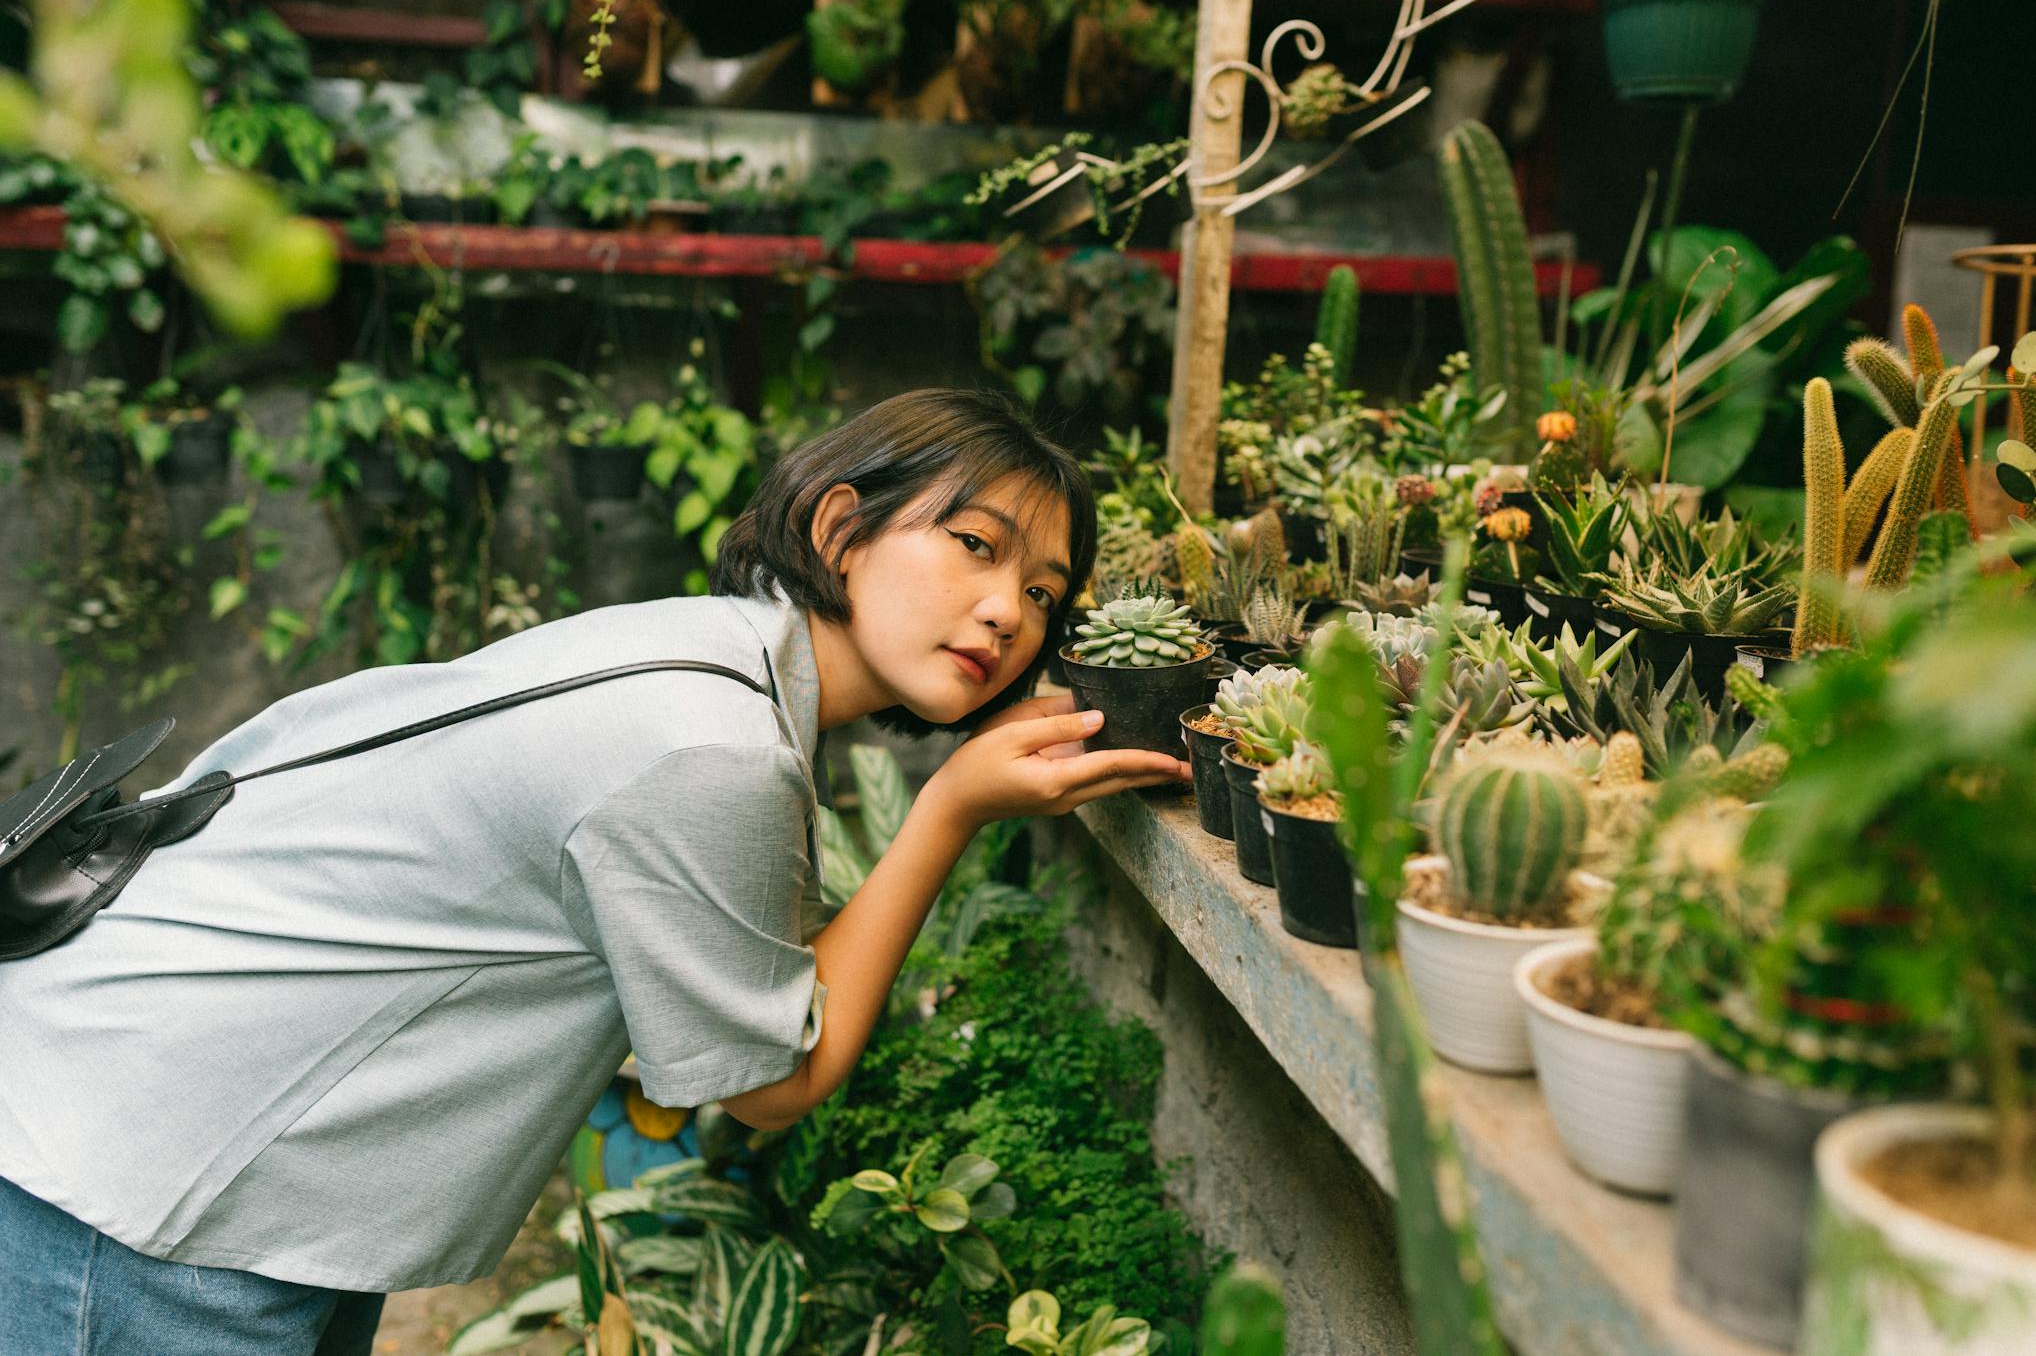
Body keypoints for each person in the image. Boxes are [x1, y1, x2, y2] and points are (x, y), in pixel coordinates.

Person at [0, 388, 1187, 1354]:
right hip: (148, 1189)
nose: (1005, 612)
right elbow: (773, 1078)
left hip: (194, 1144)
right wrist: (950, 809)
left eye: (1041, 592)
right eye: (975, 545)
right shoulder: (708, 747)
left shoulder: (700, 658)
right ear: (838, 529)